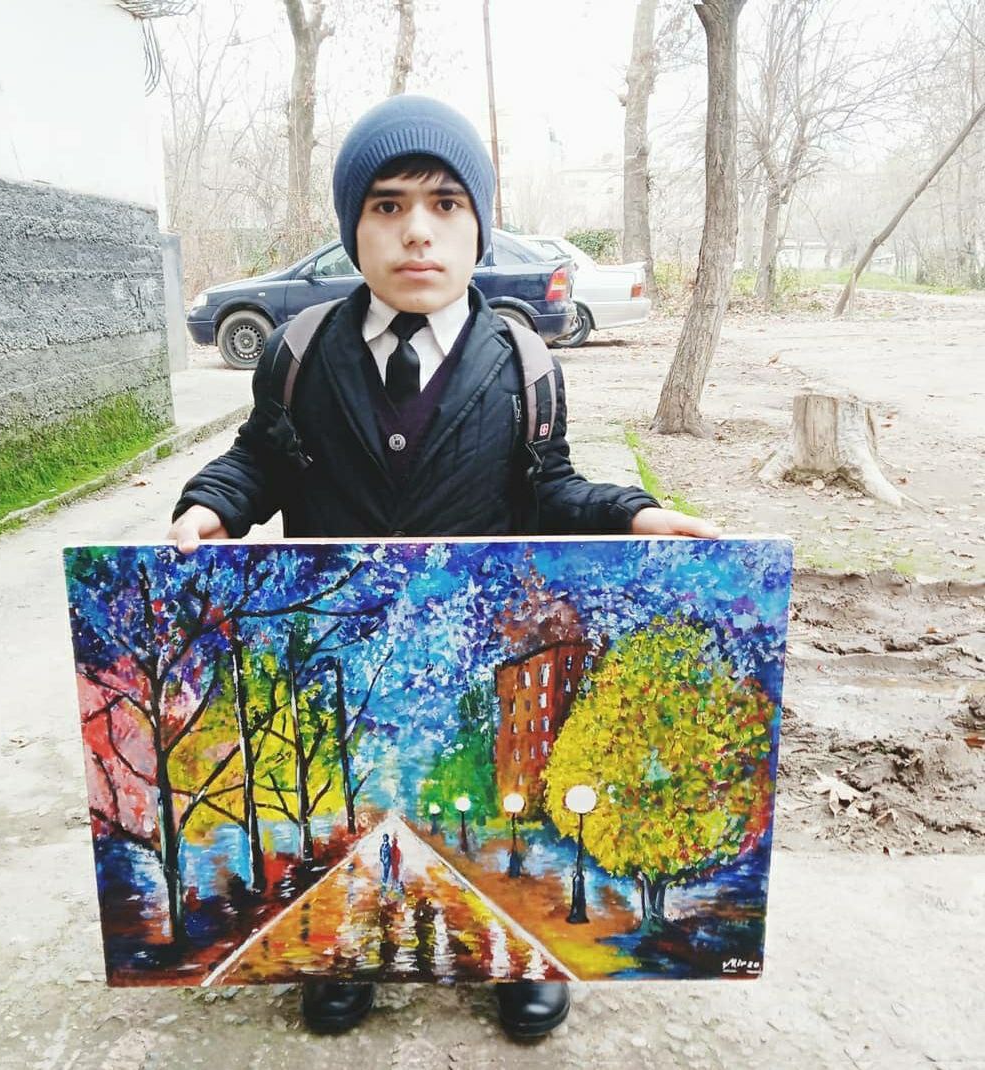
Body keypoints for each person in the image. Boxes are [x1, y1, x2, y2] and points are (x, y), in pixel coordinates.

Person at [168, 95, 718, 1038]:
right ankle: (345, 948)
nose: (416, 230)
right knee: (350, 794)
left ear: (478, 226)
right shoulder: (300, 352)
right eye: (386, 206)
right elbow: (261, 457)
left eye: (445, 204)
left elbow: (550, 483)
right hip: (340, 641)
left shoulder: (523, 361)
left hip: (475, 647)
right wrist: (212, 502)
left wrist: (630, 513)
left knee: (497, 804)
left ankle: (517, 956)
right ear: (353, 229)